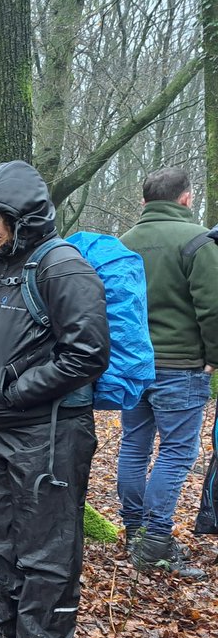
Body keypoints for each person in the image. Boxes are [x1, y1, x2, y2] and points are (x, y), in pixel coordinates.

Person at [0, 160, 110, 638]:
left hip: (48, 432)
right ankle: (1, 631)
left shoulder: (62, 267)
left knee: (47, 545)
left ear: (24, 215)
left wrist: (13, 391)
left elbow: (86, 354)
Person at [117, 168, 218, 579]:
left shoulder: (122, 244)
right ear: (186, 199)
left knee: (134, 447)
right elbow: (212, 307)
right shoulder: (197, 243)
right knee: (177, 452)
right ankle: (155, 540)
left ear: (144, 201)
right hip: (181, 366)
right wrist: (214, 356)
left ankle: (134, 530)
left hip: (133, 367)